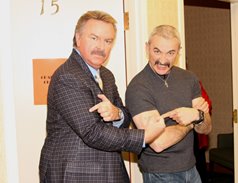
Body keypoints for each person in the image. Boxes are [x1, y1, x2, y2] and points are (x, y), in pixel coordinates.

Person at [39, 10, 165, 183]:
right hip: (75, 173)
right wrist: (143, 137)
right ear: (78, 38)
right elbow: (92, 132)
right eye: (94, 38)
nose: (101, 46)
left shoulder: (106, 75)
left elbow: (125, 115)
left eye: (108, 41)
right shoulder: (67, 76)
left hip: (109, 169)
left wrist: (117, 114)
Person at [125, 25, 212, 183]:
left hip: (192, 169)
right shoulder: (138, 87)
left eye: (170, 53)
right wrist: (194, 119)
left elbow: (206, 128)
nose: (163, 60)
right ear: (147, 48)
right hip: (160, 174)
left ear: (178, 51)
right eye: (157, 51)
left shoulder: (189, 78)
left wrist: (198, 116)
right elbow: (158, 142)